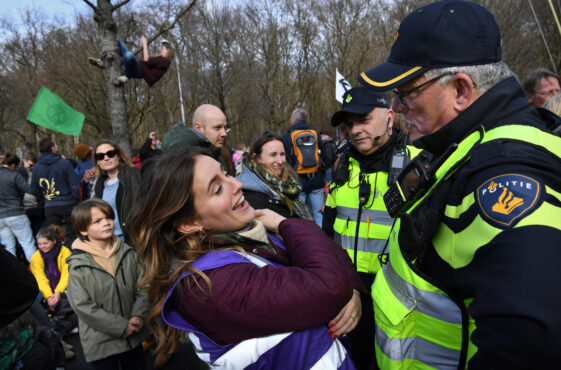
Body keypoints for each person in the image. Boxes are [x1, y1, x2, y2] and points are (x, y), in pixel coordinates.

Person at [357, 0, 561, 368]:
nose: (397, 108)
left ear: (461, 90)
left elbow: (531, 348)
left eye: (405, 92)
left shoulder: (505, 176)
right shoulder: (464, 144)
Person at [129, 147, 365, 369]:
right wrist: (286, 225)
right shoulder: (208, 285)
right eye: (218, 188)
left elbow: (330, 256)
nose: (238, 184)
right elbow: (328, 285)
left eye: (226, 174)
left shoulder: (245, 235)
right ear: (190, 223)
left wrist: (351, 289)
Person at [323, 87, 420, 369]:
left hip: (398, 304)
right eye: (349, 124)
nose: (355, 130)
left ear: (389, 117)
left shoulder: (418, 164)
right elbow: (328, 233)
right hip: (347, 296)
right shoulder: (343, 164)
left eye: (363, 119)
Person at [67, 198, 149, 369]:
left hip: (133, 336)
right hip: (101, 342)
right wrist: (121, 326)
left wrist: (137, 315)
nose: (106, 223)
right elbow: (82, 306)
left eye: (108, 218)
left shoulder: (129, 254)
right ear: (83, 230)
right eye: (97, 221)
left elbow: (144, 287)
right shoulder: (78, 265)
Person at [237, 131, 313, 220]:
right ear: (255, 158)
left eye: (282, 154)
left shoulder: (289, 182)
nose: (280, 161)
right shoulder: (251, 196)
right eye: (273, 155)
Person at [282, 108, 326, 226]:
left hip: (298, 181)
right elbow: (323, 155)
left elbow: (286, 160)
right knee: (319, 214)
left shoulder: (287, 137)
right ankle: (322, 241)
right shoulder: (315, 134)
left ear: (294, 120)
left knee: (301, 216)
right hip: (316, 180)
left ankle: (306, 240)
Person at [29, 138, 80, 241]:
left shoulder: (36, 167)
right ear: (53, 148)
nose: (57, 146)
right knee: (74, 233)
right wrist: (76, 199)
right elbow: (74, 183)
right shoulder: (64, 163)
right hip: (68, 202)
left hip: (50, 205)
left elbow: (34, 190)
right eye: (56, 144)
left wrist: (44, 198)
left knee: (53, 236)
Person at [92, 139, 140, 245]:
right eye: (101, 156)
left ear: (118, 156)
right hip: (112, 241)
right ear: (98, 162)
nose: (106, 158)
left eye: (110, 154)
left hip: (135, 240)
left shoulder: (134, 174)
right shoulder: (99, 184)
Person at [90, 36, 172, 87]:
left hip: (139, 72)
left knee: (129, 56)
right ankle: (102, 61)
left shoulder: (165, 61)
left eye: (163, 48)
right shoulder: (160, 60)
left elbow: (146, 60)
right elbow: (147, 61)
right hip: (138, 67)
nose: (161, 49)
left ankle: (126, 76)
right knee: (117, 41)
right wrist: (143, 46)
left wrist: (145, 44)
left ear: (168, 51)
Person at [161, 104, 228, 165]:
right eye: (217, 128)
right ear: (198, 128)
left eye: (224, 127)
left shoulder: (214, 151)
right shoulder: (183, 161)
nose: (224, 133)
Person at [0, 153, 37, 263]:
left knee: (8, 249)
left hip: (1, 217)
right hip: (16, 214)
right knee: (28, 244)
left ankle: (12, 276)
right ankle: (36, 273)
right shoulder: (14, 176)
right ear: (13, 165)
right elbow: (29, 190)